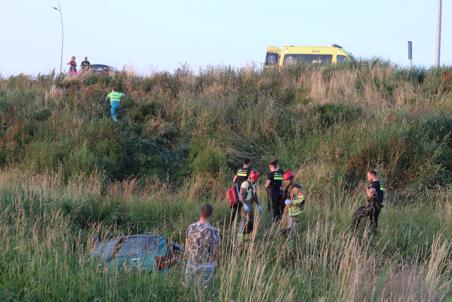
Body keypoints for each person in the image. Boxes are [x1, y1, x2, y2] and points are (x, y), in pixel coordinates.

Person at [184, 204, 220, 286]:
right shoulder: (214, 231)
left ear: (200, 213)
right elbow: (215, 253)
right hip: (206, 266)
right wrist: (217, 265)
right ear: (211, 215)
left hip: (191, 264)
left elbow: (186, 249)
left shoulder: (190, 227)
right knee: (204, 290)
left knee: (188, 289)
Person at [351, 169, 385, 234]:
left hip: (373, 207)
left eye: (368, 176)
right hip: (378, 207)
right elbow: (382, 194)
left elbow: (370, 195)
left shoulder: (374, 184)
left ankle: (353, 232)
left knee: (357, 214)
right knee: (373, 224)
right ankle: (374, 236)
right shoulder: (380, 184)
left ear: (372, 175)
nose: (368, 178)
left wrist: (366, 189)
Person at [238, 170, 263, 241]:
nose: (255, 181)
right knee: (243, 221)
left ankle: (247, 237)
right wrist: (244, 204)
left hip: (250, 205)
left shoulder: (254, 184)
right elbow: (241, 195)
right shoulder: (245, 184)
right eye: (254, 179)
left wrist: (259, 205)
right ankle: (240, 237)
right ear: (251, 178)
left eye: (256, 179)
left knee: (250, 221)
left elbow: (254, 195)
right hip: (245, 205)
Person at [281, 170, 305, 235]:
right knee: (284, 228)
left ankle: (293, 237)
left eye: (286, 180)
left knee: (290, 227)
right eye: (284, 180)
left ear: (291, 179)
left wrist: (291, 202)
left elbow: (301, 199)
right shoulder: (286, 187)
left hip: (293, 209)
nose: (285, 181)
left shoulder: (296, 188)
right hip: (286, 209)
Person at [230, 158, 252, 224]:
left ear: (243, 163)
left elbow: (234, 180)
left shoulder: (239, 170)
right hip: (245, 191)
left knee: (236, 207)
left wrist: (239, 182)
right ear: (249, 163)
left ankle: (232, 222)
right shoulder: (249, 170)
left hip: (238, 190)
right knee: (245, 207)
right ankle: (244, 223)